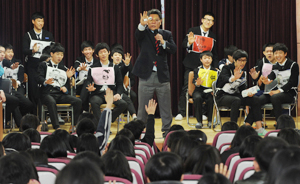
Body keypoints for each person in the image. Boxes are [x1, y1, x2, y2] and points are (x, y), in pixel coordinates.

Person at [132, 9, 177, 137]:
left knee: (166, 108)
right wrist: (141, 24)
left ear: (160, 22)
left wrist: (163, 42)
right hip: (146, 75)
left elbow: (173, 49)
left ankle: (167, 133)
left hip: (162, 77)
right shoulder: (143, 32)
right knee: (142, 110)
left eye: (156, 20)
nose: (153, 22)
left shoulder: (166, 34)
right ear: (147, 21)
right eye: (150, 19)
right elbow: (137, 35)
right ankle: (140, 134)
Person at [176, 12, 218, 121]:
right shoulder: (193, 30)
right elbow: (183, 45)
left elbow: (215, 52)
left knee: (205, 88)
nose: (208, 22)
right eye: (207, 19)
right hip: (191, 64)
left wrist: (216, 66)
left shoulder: (213, 36)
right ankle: (181, 112)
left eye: (211, 20)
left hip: (206, 66)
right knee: (187, 86)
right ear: (202, 20)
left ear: (213, 23)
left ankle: (204, 113)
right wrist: (189, 43)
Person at [215, 49, 265, 135]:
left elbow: (242, 90)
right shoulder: (226, 68)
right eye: (240, 60)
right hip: (222, 96)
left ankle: (254, 127)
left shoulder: (243, 72)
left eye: (244, 60)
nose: (242, 63)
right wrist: (234, 78)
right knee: (236, 100)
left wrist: (248, 92)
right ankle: (232, 129)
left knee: (256, 100)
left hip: (236, 96)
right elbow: (224, 78)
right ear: (234, 60)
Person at [37, 43, 82, 129]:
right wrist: (45, 82)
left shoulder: (64, 68)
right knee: (51, 101)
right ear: (51, 54)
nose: (60, 57)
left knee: (78, 101)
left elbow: (66, 86)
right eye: (57, 54)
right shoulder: (44, 65)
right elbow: (38, 78)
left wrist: (66, 86)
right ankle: (56, 127)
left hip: (59, 94)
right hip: (47, 93)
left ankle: (74, 125)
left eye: (61, 55)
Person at [86, 42, 127, 123]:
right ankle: (101, 125)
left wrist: (118, 94)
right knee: (94, 102)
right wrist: (90, 88)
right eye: (100, 52)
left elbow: (119, 84)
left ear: (109, 52)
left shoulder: (114, 67)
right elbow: (88, 81)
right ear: (97, 55)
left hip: (111, 93)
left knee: (123, 104)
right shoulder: (93, 68)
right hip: (98, 93)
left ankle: (107, 120)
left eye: (105, 51)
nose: (103, 54)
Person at [23, 12, 55, 115]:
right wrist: (32, 50)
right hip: (32, 66)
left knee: (45, 89)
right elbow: (24, 50)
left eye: (42, 21)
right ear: (33, 21)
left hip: (45, 65)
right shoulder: (28, 35)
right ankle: (34, 115)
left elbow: (53, 48)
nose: (41, 23)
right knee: (33, 90)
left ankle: (46, 115)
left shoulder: (48, 35)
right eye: (38, 21)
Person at [260, 43, 299, 125]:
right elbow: (270, 77)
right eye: (276, 53)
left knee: (275, 97)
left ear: (285, 54)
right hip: (278, 93)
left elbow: (293, 83)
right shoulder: (275, 66)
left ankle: (280, 124)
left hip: (290, 93)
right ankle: (255, 125)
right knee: (258, 99)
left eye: (280, 53)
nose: (277, 55)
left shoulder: (293, 65)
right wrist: (266, 80)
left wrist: (278, 91)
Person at [111, 44, 137, 119]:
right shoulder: (109, 65)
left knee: (133, 95)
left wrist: (127, 86)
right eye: (116, 55)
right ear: (112, 57)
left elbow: (132, 79)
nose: (118, 56)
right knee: (125, 98)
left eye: (119, 55)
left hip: (123, 88)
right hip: (112, 89)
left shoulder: (126, 65)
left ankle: (125, 113)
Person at [192, 51, 218, 128]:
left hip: (210, 91)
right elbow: (194, 81)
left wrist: (214, 90)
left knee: (211, 99)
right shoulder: (197, 69)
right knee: (197, 98)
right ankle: (199, 122)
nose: (207, 60)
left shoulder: (215, 71)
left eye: (209, 58)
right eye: (205, 58)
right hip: (199, 90)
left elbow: (218, 83)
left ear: (212, 59)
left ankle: (210, 121)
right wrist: (197, 83)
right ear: (201, 59)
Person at [74, 41, 98, 111]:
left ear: (93, 50)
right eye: (86, 50)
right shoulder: (79, 60)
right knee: (86, 82)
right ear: (82, 51)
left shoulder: (97, 62)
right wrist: (80, 68)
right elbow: (75, 67)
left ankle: (82, 108)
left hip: (94, 86)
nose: (88, 52)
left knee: (87, 84)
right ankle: (86, 111)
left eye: (89, 49)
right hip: (80, 86)